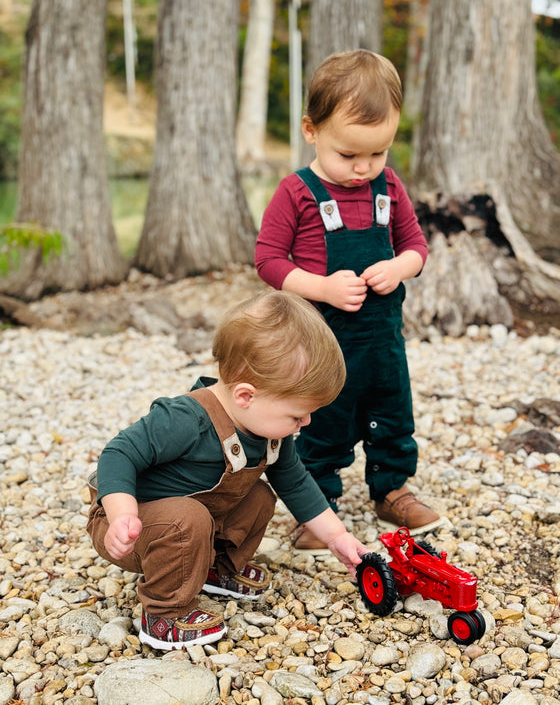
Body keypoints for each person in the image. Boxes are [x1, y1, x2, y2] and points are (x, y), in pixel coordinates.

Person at [87, 290, 368, 651]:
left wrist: (336, 537)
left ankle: (212, 568)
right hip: (132, 527)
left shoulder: (269, 431)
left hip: (191, 524)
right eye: (297, 415)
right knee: (186, 518)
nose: (307, 422)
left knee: (260, 496)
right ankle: (163, 615)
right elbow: (118, 453)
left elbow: (295, 482)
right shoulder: (185, 420)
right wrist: (121, 514)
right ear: (246, 396)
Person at [255, 49, 443, 551]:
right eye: (349, 155)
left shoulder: (387, 186)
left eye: (377, 154)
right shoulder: (297, 191)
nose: (364, 168)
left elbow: (417, 246)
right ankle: (319, 506)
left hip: (382, 340)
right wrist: (321, 287)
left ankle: (392, 488)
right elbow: (268, 260)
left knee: (393, 413)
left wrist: (399, 267)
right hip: (322, 340)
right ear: (311, 130)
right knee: (324, 422)